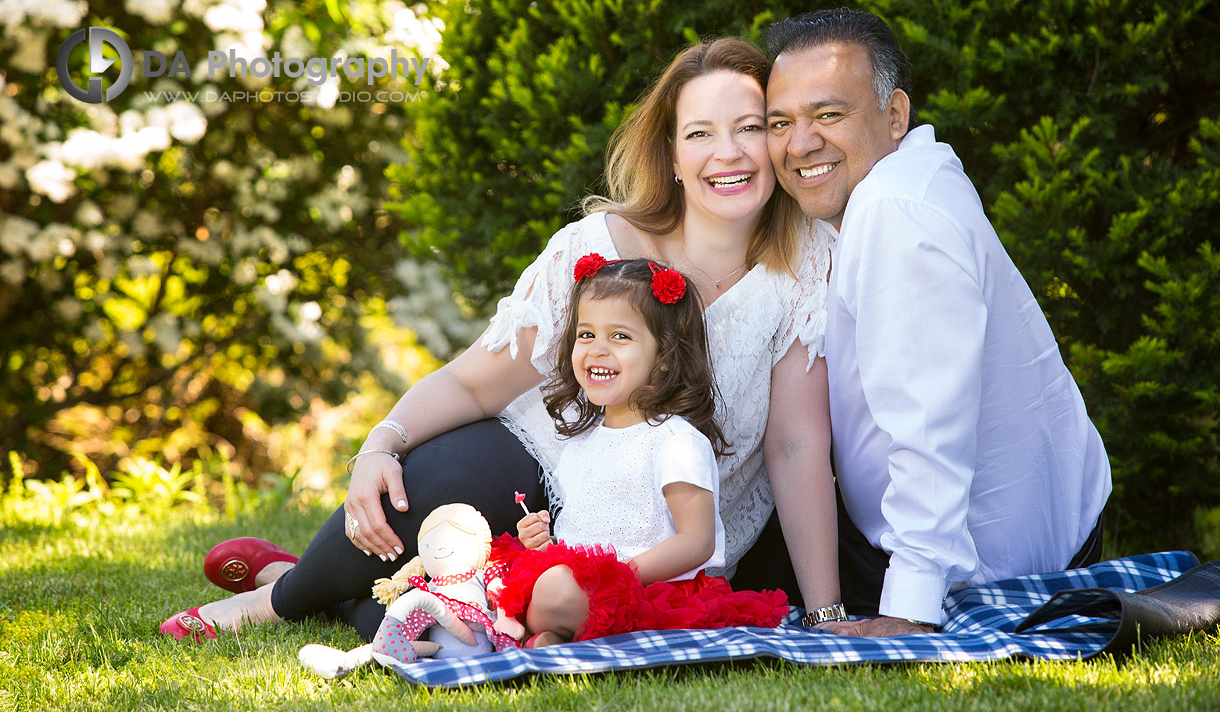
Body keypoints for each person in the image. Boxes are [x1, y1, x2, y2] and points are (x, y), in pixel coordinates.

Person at [161, 37, 844, 643]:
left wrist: (826, 615)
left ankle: (315, 585)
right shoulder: (599, 246)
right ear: (670, 154)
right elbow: (472, 381)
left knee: (472, 620)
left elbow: (795, 442)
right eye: (700, 133)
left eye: (750, 127)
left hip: (654, 516)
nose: (727, 153)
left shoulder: (807, 262)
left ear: (777, 136)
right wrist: (380, 441)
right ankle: (277, 601)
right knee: (439, 491)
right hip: (539, 461)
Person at [763, 8, 1112, 637]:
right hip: (1000, 540)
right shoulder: (903, 183)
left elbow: (930, 423)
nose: (799, 143)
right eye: (780, 122)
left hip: (989, 570)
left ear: (895, 115)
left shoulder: (899, 215)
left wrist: (909, 611)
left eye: (828, 115)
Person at [490, 256, 789, 646]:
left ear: (663, 357)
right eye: (586, 334)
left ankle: (555, 630)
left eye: (620, 336)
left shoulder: (674, 440)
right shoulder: (581, 443)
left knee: (556, 591)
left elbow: (697, 541)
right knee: (510, 575)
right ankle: (557, 634)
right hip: (585, 589)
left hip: (649, 590)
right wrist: (544, 543)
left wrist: (617, 577)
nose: (597, 349)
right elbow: (584, 532)